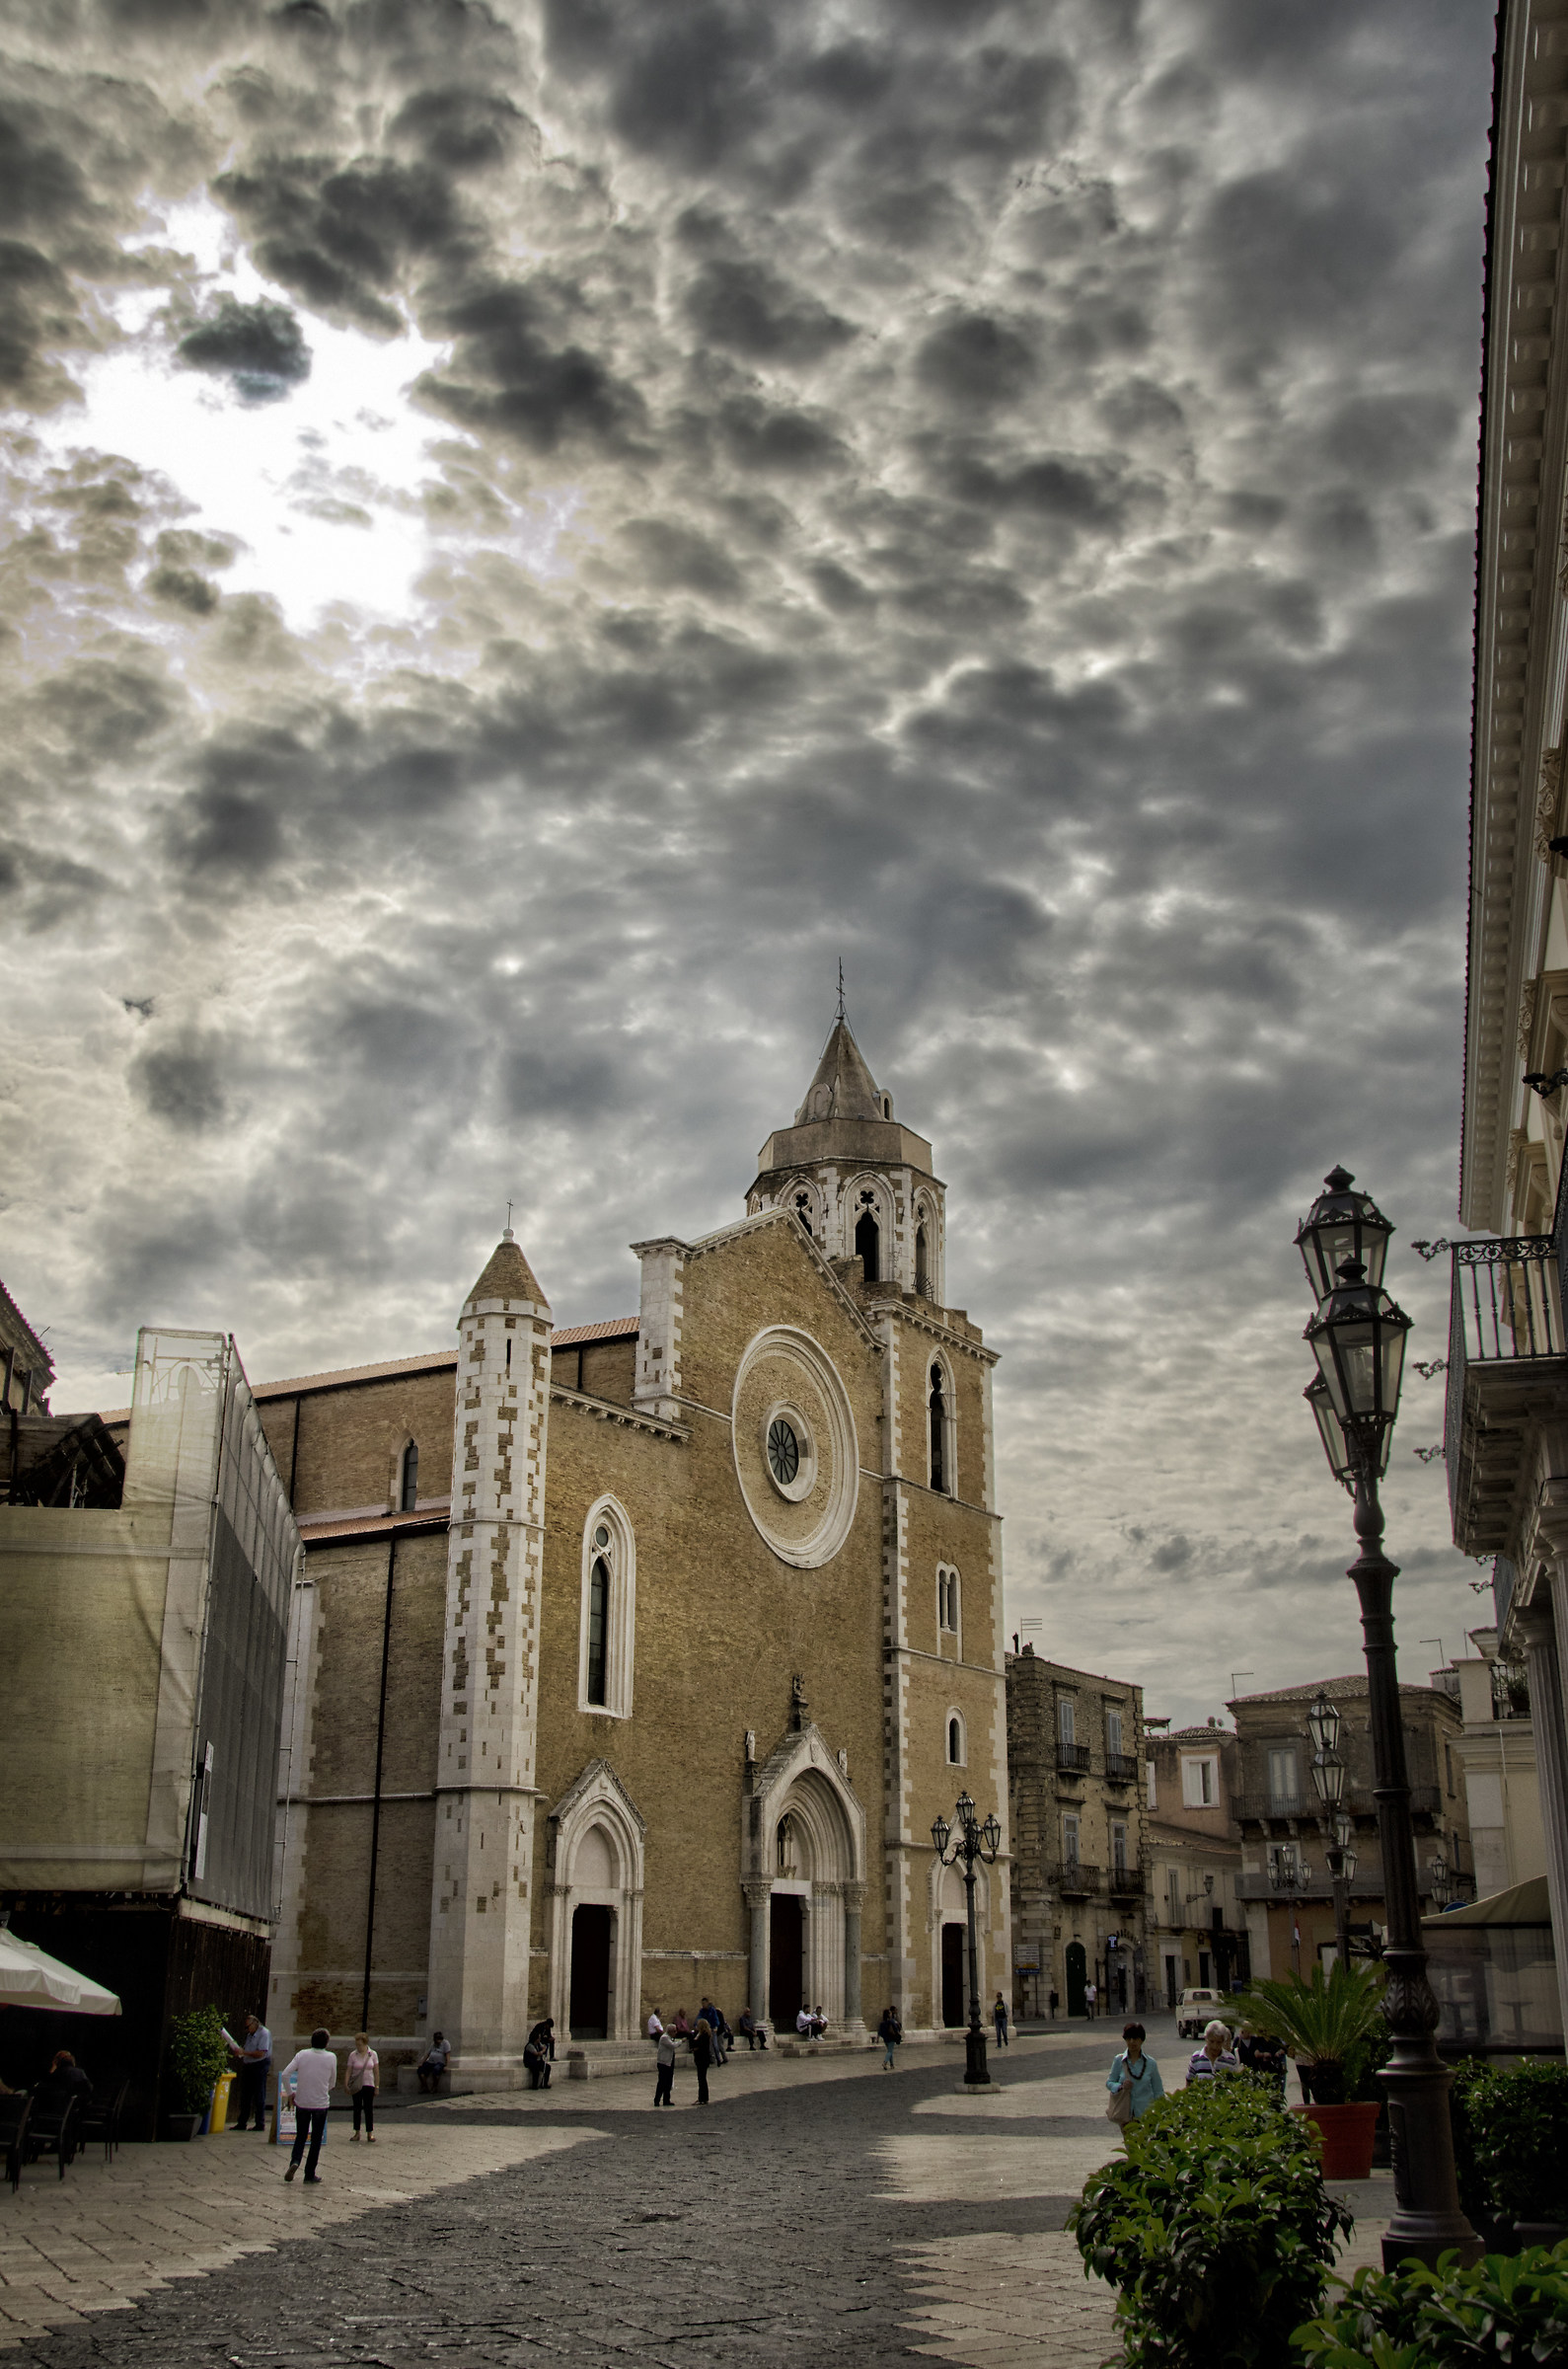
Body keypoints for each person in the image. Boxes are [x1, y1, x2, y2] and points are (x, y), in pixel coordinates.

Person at [280, 2028, 337, 2183]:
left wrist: (291, 2093)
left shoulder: (302, 2054)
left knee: (301, 2135)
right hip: (320, 2103)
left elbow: (285, 2074)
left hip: (302, 2101)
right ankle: (309, 2173)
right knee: (316, 2139)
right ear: (326, 2042)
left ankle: (295, 2161)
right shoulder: (331, 2057)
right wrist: (323, 2089)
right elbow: (332, 2082)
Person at [1106, 2023, 1164, 2126]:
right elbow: (1109, 2082)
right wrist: (1120, 2086)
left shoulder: (1151, 2063)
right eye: (1128, 2039)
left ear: (1141, 2040)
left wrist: (1161, 2112)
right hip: (1125, 2115)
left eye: (1135, 2038)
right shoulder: (1119, 2060)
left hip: (1146, 2116)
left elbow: (1158, 2091)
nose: (1132, 2042)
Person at [231, 2013, 271, 2132]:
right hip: (249, 2065)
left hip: (260, 2065)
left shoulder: (264, 2033)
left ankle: (260, 2123)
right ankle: (242, 2122)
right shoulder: (250, 2035)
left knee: (259, 2094)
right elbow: (248, 2049)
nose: (246, 2030)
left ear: (254, 2024)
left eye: (247, 2027)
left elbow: (261, 2053)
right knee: (245, 2095)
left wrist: (244, 2053)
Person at [1236, 2025, 1287, 2096]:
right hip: (1263, 2067)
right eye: (1262, 2031)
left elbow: (1283, 2049)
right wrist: (1263, 2054)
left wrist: (1278, 2052)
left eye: (1266, 2031)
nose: (1265, 2033)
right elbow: (1256, 2053)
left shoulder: (1274, 2039)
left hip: (1275, 2067)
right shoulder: (1258, 2040)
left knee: (1277, 2086)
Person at [1186, 2019, 1239, 2084]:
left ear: (1223, 2041)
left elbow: (1233, 2083)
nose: (1215, 2046)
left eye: (1218, 2042)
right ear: (1206, 2039)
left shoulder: (1230, 2060)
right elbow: (1189, 2083)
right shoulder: (1196, 2058)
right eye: (1211, 2041)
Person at [346, 2032, 378, 2141]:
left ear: (365, 2044)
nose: (358, 2047)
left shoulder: (372, 2054)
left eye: (360, 2045)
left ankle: (370, 2132)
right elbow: (349, 2070)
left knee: (368, 2109)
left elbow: (376, 2071)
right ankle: (357, 2132)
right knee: (357, 2108)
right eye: (357, 2045)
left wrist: (377, 2086)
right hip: (357, 2085)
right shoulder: (353, 2055)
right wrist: (346, 2084)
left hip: (369, 2084)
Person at [524, 2018, 555, 2090]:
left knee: (547, 2067)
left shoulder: (538, 2044)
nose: (540, 2039)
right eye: (539, 2038)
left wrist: (542, 2050)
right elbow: (536, 2053)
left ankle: (544, 2083)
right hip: (531, 2061)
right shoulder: (530, 2045)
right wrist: (541, 2052)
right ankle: (534, 2086)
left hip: (537, 2061)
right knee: (536, 2070)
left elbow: (544, 2047)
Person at [690, 2014, 713, 2104]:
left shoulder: (704, 2035)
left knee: (702, 2079)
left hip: (702, 2059)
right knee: (701, 2079)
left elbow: (699, 2045)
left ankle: (702, 2098)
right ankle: (703, 2097)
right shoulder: (699, 2034)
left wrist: (694, 2047)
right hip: (700, 2058)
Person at [653, 2023, 678, 2107]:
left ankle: (666, 2100)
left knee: (668, 2083)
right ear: (670, 2031)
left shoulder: (670, 2038)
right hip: (663, 2063)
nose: (676, 2033)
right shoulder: (665, 2038)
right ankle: (657, 2100)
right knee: (662, 2082)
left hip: (669, 2062)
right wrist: (681, 2041)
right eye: (674, 2031)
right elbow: (673, 2046)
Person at [877, 2005, 902, 2071]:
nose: (891, 2014)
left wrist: (878, 2038)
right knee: (890, 2051)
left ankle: (892, 2065)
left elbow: (879, 2032)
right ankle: (885, 2062)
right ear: (888, 2014)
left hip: (885, 2039)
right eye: (890, 2013)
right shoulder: (891, 2021)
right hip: (891, 2038)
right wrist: (898, 2035)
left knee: (889, 2051)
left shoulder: (882, 2023)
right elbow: (896, 2029)